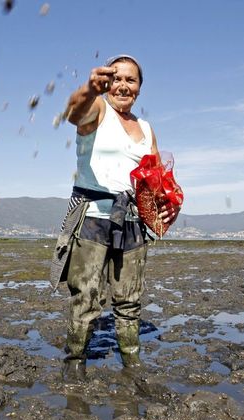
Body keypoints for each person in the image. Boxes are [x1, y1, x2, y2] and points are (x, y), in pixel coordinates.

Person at [49, 55, 179, 381]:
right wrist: (88, 90)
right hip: (92, 218)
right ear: (107, 82)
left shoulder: (147, 129)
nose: (123, 85)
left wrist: (169, 200)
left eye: (130, 80)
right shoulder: (97, 109)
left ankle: (132, 366)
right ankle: (74, 365)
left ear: (139, 87)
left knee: (129, 301)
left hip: (132, 222)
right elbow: (72, 113)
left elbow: (156, 177)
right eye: (116, 78)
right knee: (87, 299)